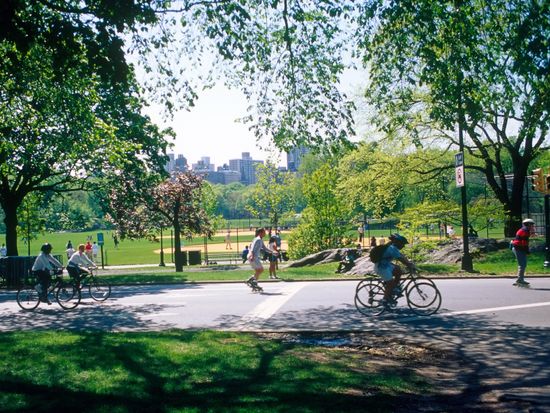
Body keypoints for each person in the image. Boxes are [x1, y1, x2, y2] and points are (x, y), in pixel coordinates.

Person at [374, 233, 415, 305]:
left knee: (398, 270)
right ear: (398, 243)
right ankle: (385, 300)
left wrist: (409, 263)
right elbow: (401, 259)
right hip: (381, 267)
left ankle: (393, 289)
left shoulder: (393, 248)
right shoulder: (392, 249)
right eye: (403, 244)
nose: (403, 246)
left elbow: (402, 256)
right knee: (390, 283)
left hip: (386, 265)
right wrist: (409, 265)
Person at [511, 218, 536, 287]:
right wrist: (527, 250)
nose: (533, 226)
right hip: (519, 249)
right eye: (531, 224)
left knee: (522, 264)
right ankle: (520, 280)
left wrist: (532, 232)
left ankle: (520, 279)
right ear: (528, 224)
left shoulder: (524, 230)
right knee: (522, 264)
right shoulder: (525, 231)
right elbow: (523, 243)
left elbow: (524, 241)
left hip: (519, 248)